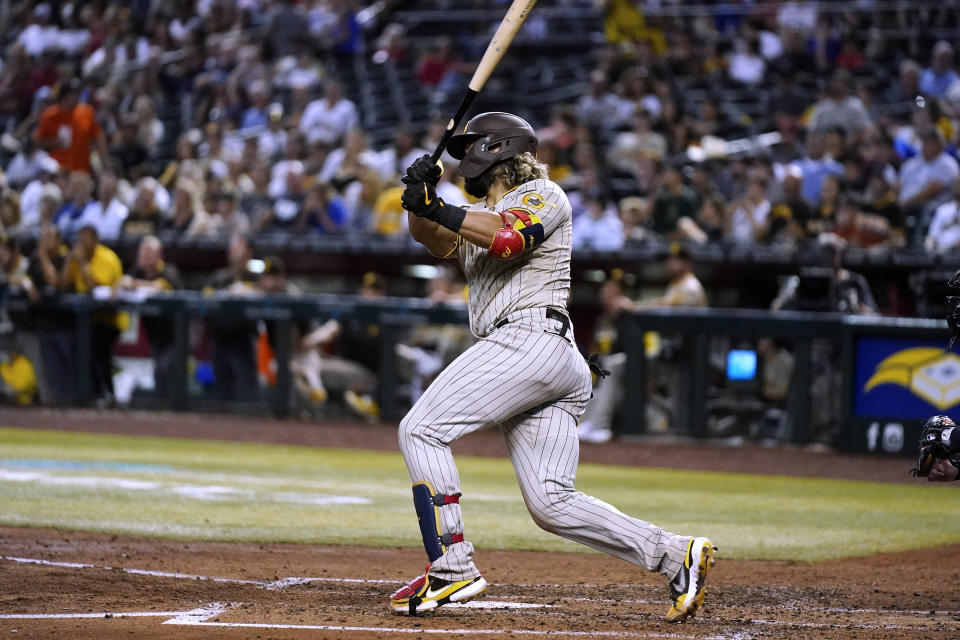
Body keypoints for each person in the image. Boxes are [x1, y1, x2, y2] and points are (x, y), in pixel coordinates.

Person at [391, 112, 716, 621]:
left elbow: (510, 239)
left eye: (469, 150)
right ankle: (675, 555)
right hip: (543, 356)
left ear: (496, 150)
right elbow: (432, 238)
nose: (461, 161)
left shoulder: (543, 193)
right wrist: (419, 201)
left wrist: (440, 206)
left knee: (421, 430)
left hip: (531, 341)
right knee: (550, 502)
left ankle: (453, 567)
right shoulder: (479, 214)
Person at [60, 225, 125, 404]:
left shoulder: (107, 257)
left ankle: (107, 394)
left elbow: (97, 289)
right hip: (85, 320)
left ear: (95, 240)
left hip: (108, 318)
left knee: (100, 354)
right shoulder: (77, 257)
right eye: (80, 239)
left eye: (86, 239)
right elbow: (63, 284)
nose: (82, 243)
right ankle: (93, 394)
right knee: (84, 354)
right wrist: (69, 261)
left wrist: (82, 263)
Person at [118, 236, 183, 398]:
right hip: (155, 335)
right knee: (159, 372)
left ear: (159, 255)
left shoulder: (169, 270)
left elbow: (160, 286)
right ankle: (163, 412)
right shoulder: (137, 271)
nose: (144, 257)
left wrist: (133, 284)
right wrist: (126, 283)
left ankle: (175, 414)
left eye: (149, 253)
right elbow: (123, 283)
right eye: (142, 253)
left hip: (176, 335)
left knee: (166, 371)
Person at [34, 79, 107, 175]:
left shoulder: (87, 112)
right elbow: (38, 142)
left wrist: (105, 162)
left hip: (81, 170)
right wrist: (53, 142)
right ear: (63, 96)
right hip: (58, 170)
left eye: (78, 94)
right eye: (73, 94)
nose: (77, 97)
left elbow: (98, 137)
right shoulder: (50, 115)